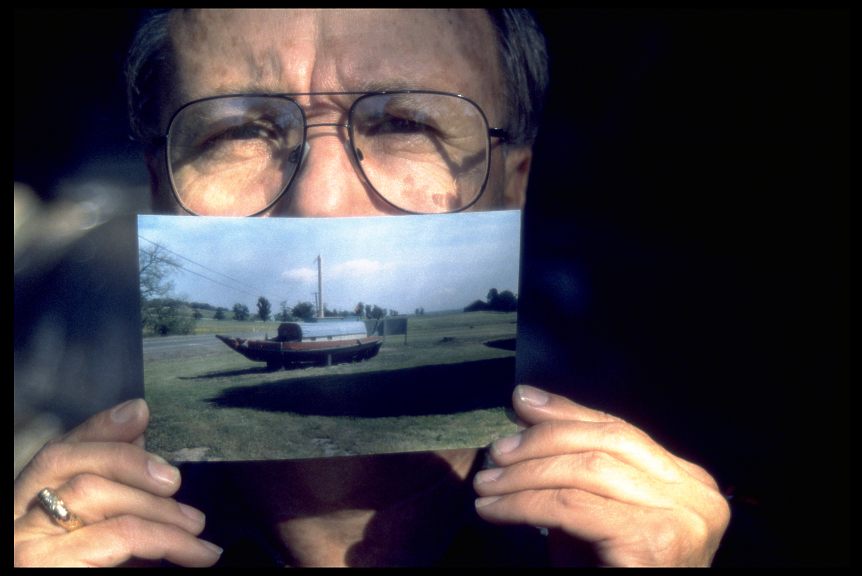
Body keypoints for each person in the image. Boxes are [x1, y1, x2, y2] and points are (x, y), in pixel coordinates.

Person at [13, 9, 730, 567]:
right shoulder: (80, 547)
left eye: (405, 123)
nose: (321, 202)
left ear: (514, 187)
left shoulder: (669, 546)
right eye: (239, 133)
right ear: (160, 191)